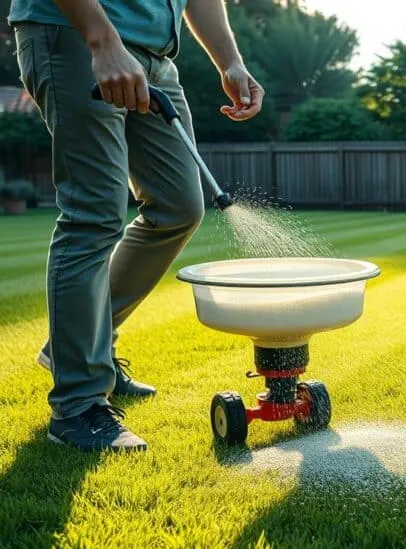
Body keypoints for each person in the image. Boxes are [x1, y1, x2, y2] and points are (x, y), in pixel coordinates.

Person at [9, 0, 265, 452]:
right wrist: (103, 41)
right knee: (94, 214)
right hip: (76, 32)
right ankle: (78, 404)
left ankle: (81, 348)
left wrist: (231, 61)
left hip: (155, 56)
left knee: (179, 206)